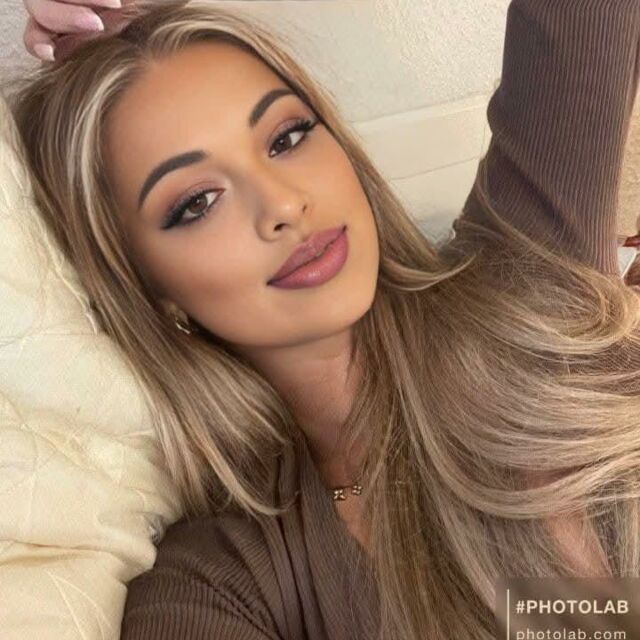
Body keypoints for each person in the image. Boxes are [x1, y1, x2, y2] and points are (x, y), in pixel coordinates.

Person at [9, 0, 640, 638]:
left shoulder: (525, 263)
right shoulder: (221, 582)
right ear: (148, 286)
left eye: (286, 138)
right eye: (197, 202)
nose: (284, 204)